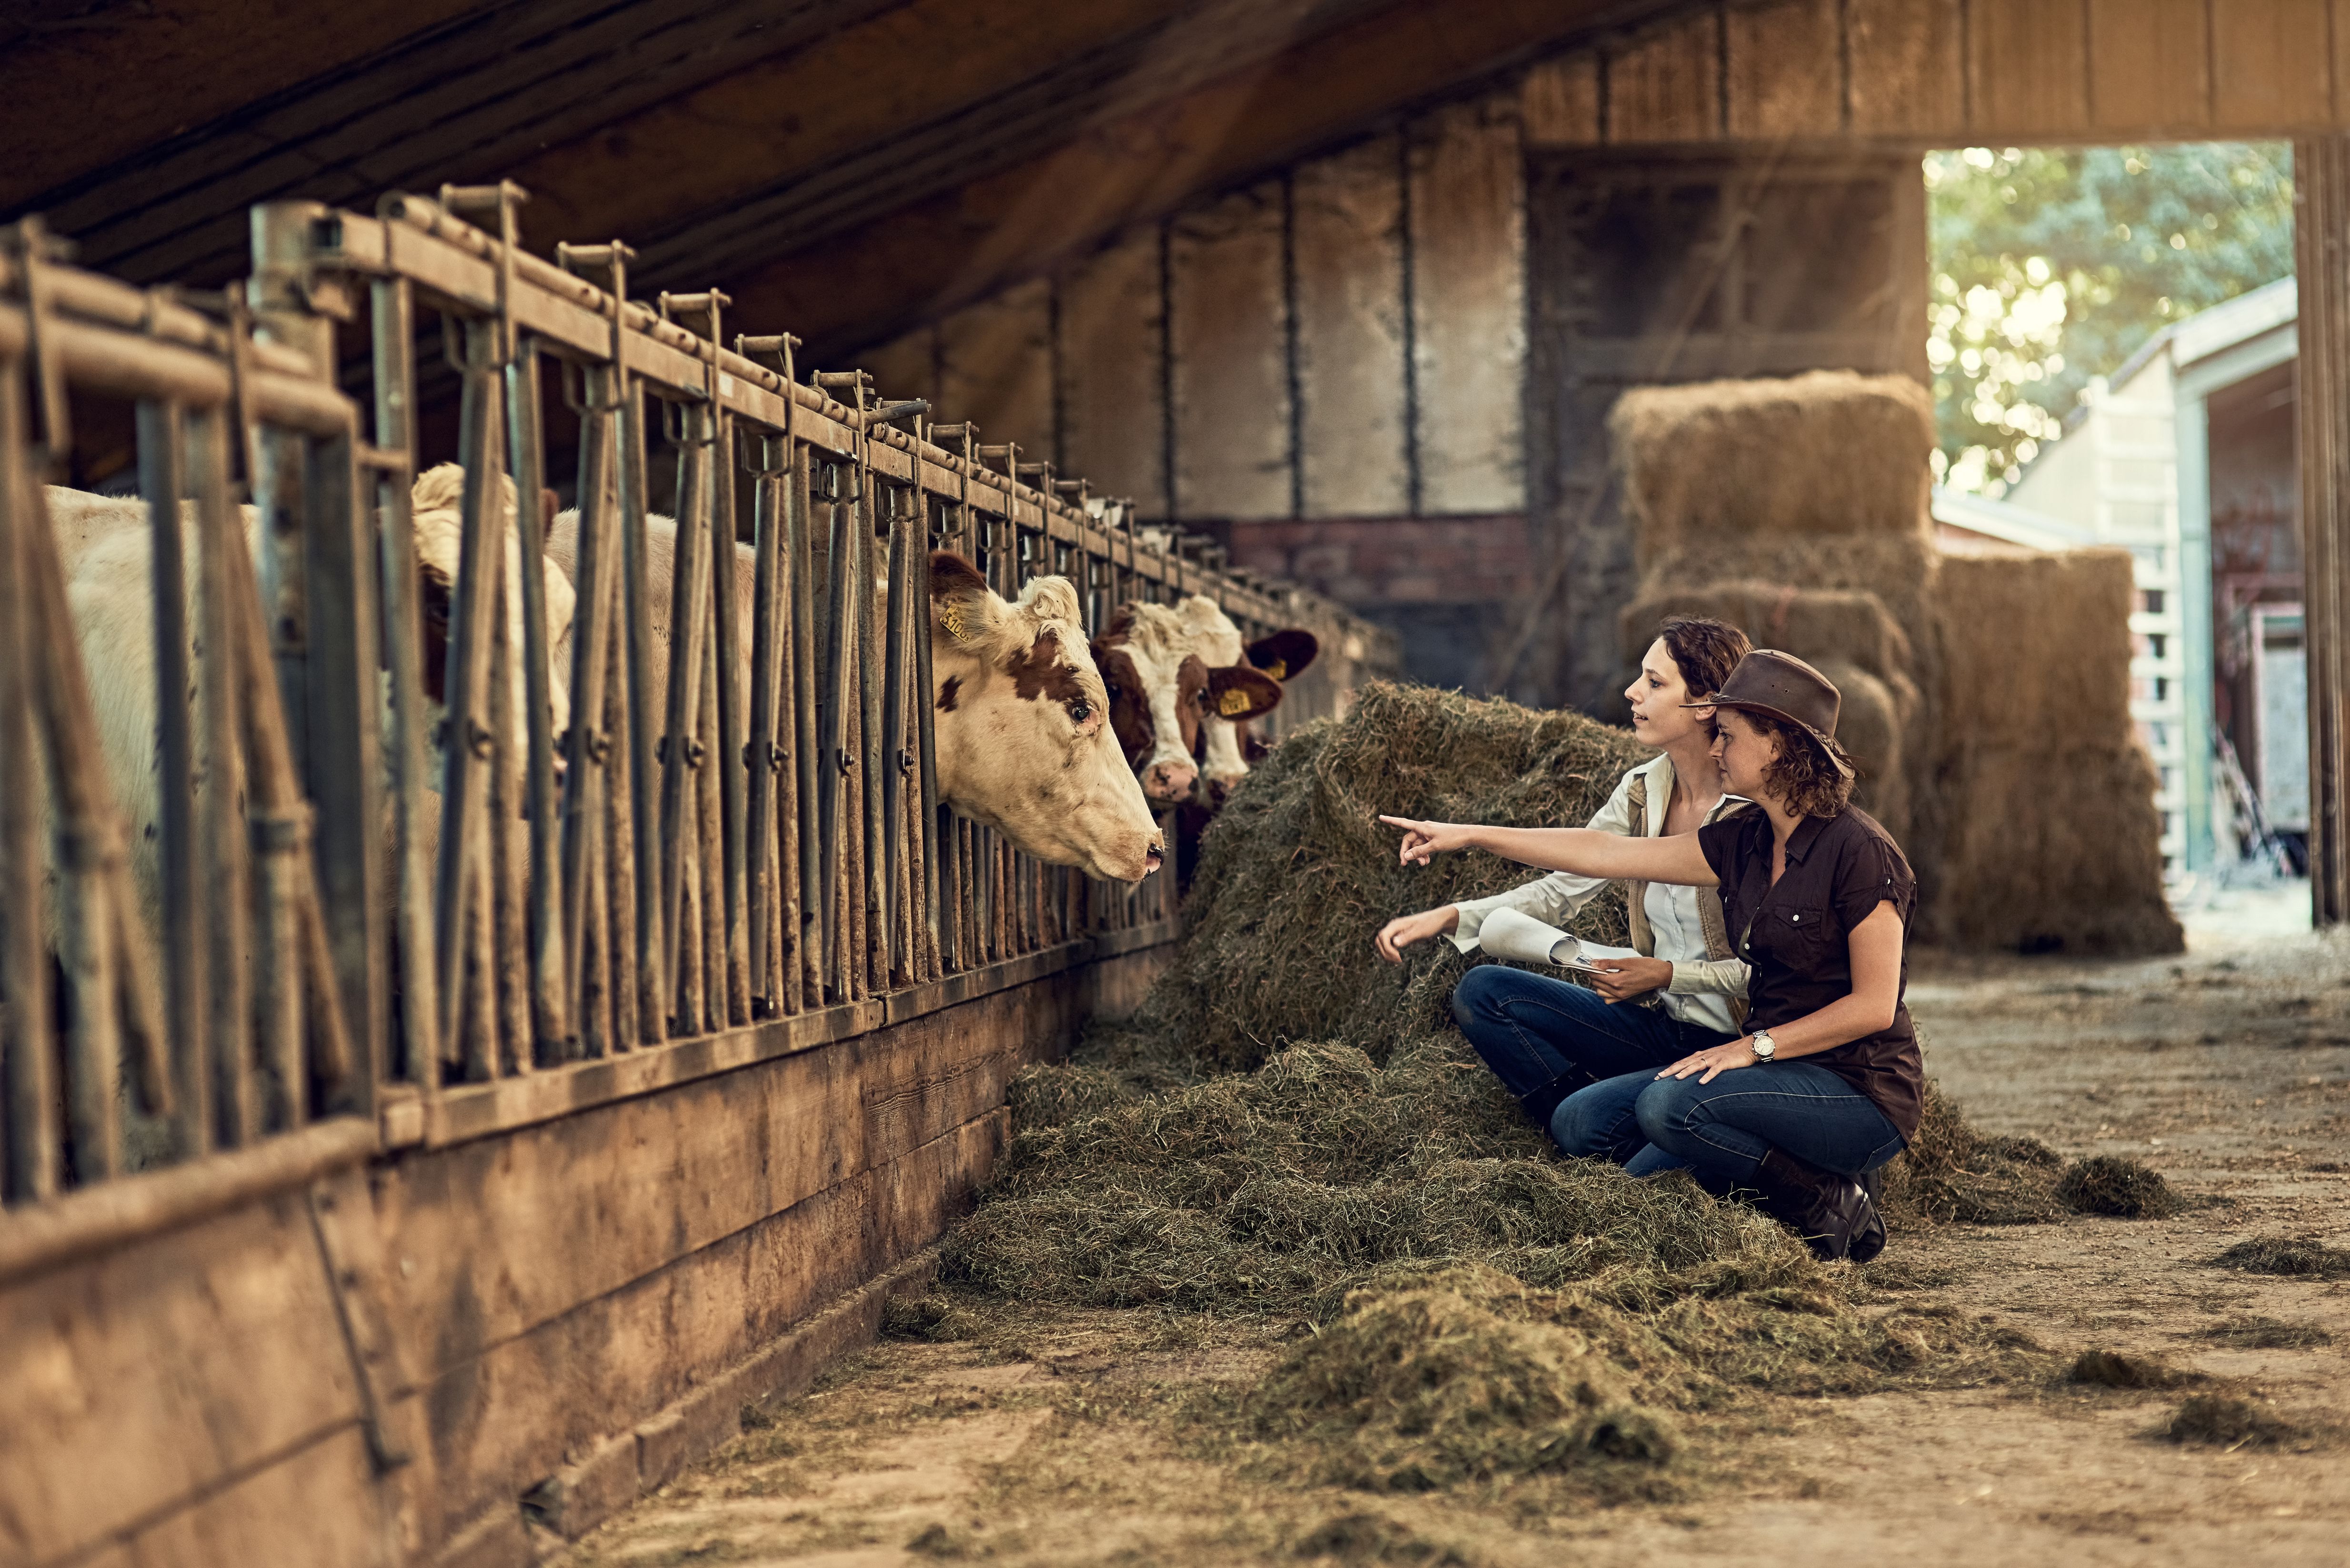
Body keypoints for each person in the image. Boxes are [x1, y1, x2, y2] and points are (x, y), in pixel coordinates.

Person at [1379, 650, 1920, 1263]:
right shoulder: (1745, 841)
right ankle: (1745, 1163)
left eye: (1729, 736)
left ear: (1777, 746)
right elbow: (1605, 852)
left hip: (1855, 1090)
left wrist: (1749, 1047)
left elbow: (1875, 1007)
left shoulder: (1864, 854)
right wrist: (1469, 833)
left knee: (1667, 1106)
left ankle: (1828, 1195)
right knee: (1585, 1122)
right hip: (1767, 1072)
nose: (1716, 751)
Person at [1375, 618, 1752, 1137]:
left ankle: (1609, 1124)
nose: (1632, 691)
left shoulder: (1754, 813)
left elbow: (1779, 977)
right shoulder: (1643, 788)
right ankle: (1589, 1116)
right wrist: (1449, 916)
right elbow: (1562, 887)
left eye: (1655, 682)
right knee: (1484, 991)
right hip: (1664, 1026)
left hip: (1738, 1044)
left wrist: (1665, 973)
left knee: (1586, 1125)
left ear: (1705, 703)